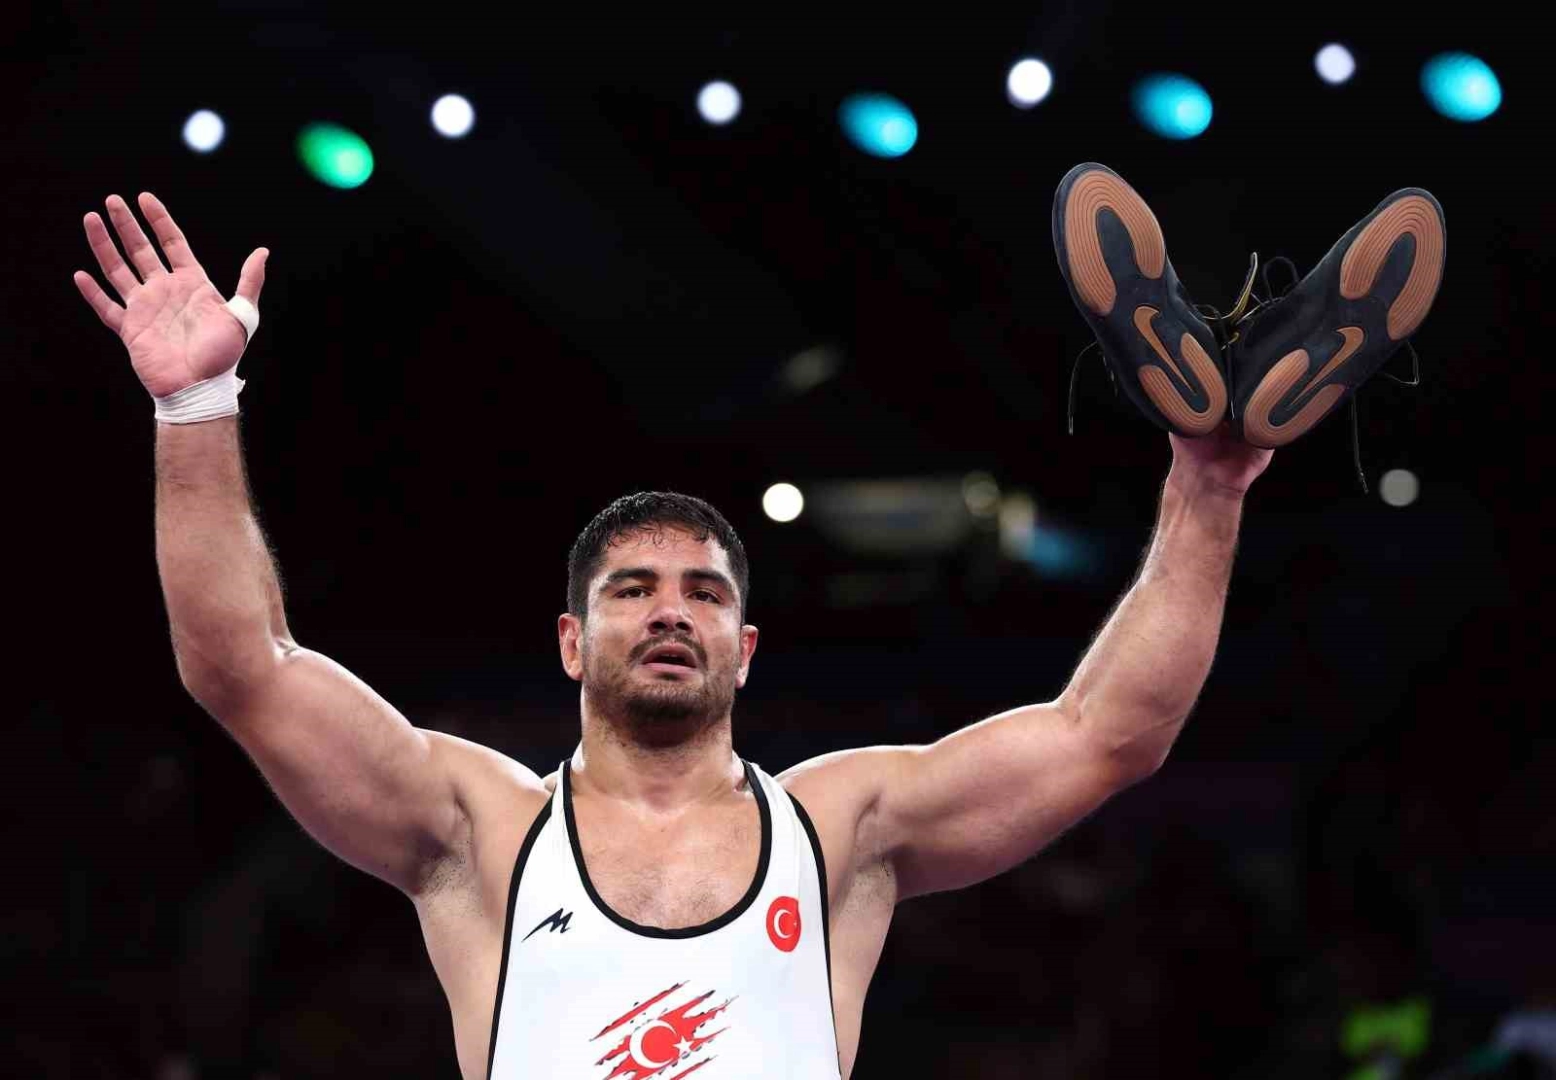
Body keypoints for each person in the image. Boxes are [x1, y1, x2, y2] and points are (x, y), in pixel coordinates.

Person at [71, 160, 1441, 1079]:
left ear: (747, 648)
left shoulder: (843, 831)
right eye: (631, 592)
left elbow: (1109, 734)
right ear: (571, 641)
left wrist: (1208, 488)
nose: (669, 613)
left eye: (705, 593)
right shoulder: (476, 833)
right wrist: (194, 406)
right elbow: (243, 667)